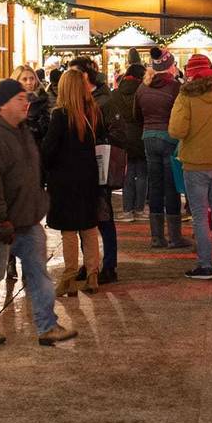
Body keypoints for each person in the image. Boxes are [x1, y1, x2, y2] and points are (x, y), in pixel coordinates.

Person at [0, 80, 78, 346]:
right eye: (19, 98)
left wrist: (39, 201)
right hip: (1, 222)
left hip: (27, 218)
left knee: (38, 272)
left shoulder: (21, 129)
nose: (24, 102)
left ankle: (47, 326)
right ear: (3, 103)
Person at [169, 55, 212, 279]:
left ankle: (205, 265)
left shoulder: (186, 95)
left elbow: (176, 130)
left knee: (200, 215)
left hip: (195, 163)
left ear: (190, 73)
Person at [42, 70, 103, 296]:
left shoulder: (60, 115)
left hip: (64, 180)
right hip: (88, 177)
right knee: (88, 227)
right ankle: (92, 275)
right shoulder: (93, 112)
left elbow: (49, 149)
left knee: (68, 230)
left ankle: (68, 278)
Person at [68, 57, 120, 284]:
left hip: (100, 166)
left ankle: (110, 265)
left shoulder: (105, 101)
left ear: (86, 76)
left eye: (74, 74)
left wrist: (99, 142)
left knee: (104, 217)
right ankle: (91, 264)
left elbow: (119, 133)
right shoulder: (77, 99)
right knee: (84, 219)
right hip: (81, 169)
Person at [136, 47, 189, 248]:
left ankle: (157, 237)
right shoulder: (175, 87)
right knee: (171, 186)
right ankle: (175, 237)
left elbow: (136, 115)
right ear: (169, 66)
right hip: (169, 138)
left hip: (148, 138)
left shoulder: (143, 87)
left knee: (155, 187)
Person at [106, 63, 149, 223]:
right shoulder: (144, 91)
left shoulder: (115, 93)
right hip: (142, 135)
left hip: (123, 136)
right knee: (142, 174)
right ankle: (139, 209)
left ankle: (127, 211)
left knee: (128, 174)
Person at [13, 65, 51, 143]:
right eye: (24, 79)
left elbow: (45, 128)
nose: (29, 82)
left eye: (32, 78)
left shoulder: (42, 100)